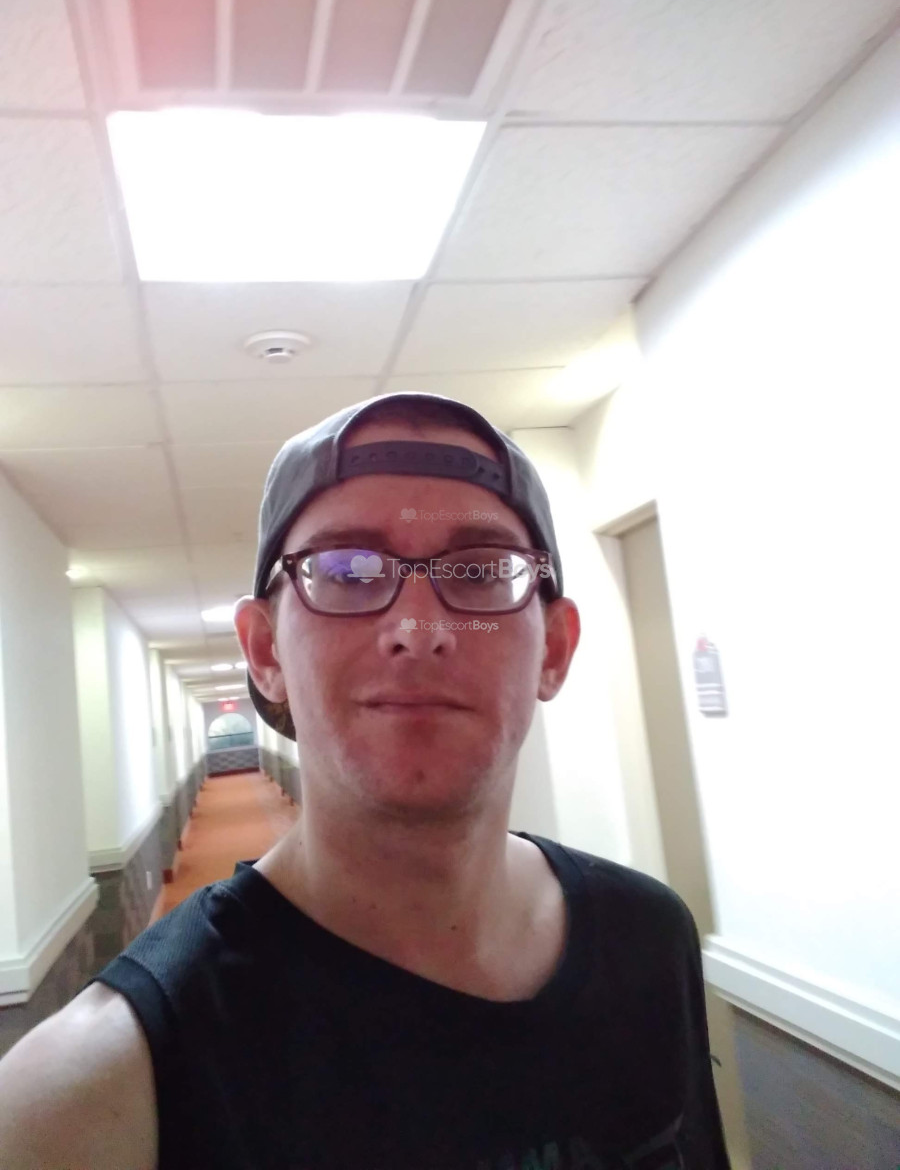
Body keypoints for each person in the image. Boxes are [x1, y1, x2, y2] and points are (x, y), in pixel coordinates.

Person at [0, 392, 730, 1169]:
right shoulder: (95, 1091)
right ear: (265, 652)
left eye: (481, 570)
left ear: (554, 649)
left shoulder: (648, 939)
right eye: (345, 571)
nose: (417, 630)